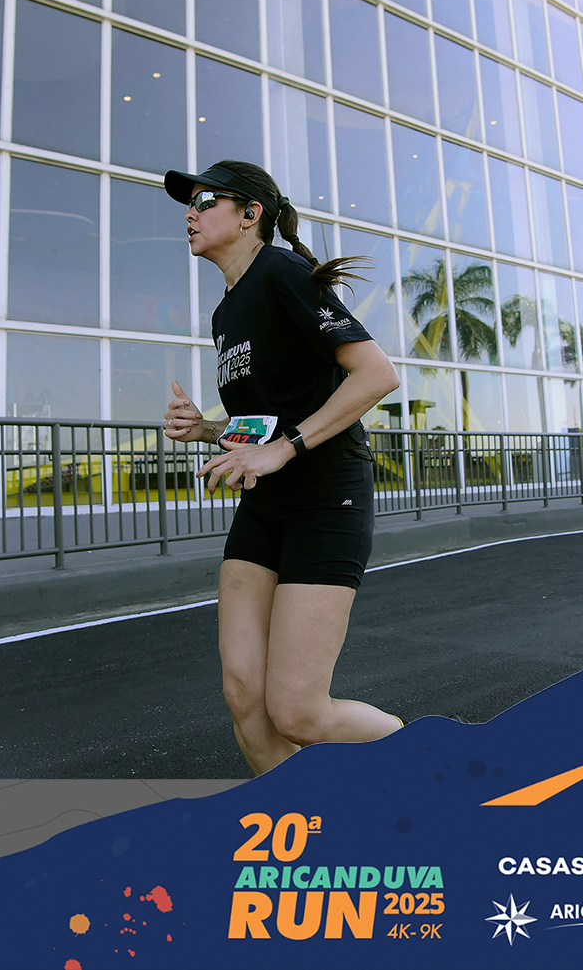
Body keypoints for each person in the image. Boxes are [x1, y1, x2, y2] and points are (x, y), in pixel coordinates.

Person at [162, 159, 403, 775]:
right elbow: (265, 421)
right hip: (266, 505)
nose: (190, 213)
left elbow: (377, 374)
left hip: (326, 495)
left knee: (298, 713)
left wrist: (287, 447)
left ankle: (423, 757)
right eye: (188, 204)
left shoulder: (281, 271)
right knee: (245, 699)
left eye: (205, 201)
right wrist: (206, 429)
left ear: (251, 214)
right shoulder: (226, 311)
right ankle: (308, 820)